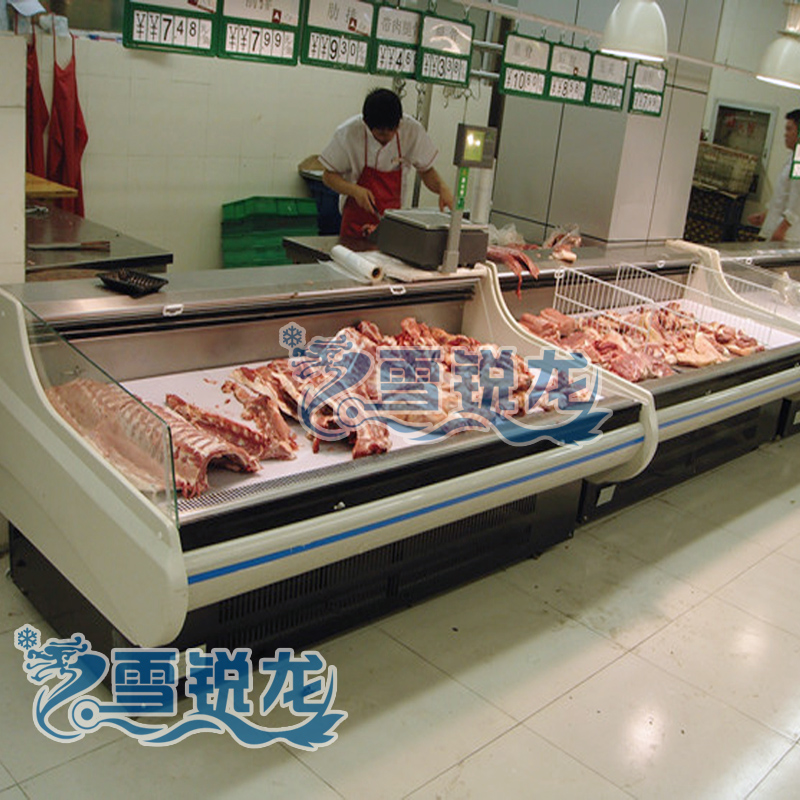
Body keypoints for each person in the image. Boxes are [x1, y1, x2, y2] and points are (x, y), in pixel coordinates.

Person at [319, 88, 454, 238]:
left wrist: (442, 188)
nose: (387, 138)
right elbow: (328, 176)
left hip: (391, 223)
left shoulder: (412, 131)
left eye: (392, 131)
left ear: (399, 123)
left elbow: (426, 171)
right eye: (380, 134)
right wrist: (355, 191)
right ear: (366, 124)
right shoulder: (348, 133)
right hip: (355, 225)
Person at [747, 109, 800, 242]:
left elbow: (797, 200)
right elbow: (783, 195)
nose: (785, 134)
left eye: (789, 129)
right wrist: (766, 215)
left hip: (786, 235)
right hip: (775, 228)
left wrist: (782, 229)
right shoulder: (794, 157)